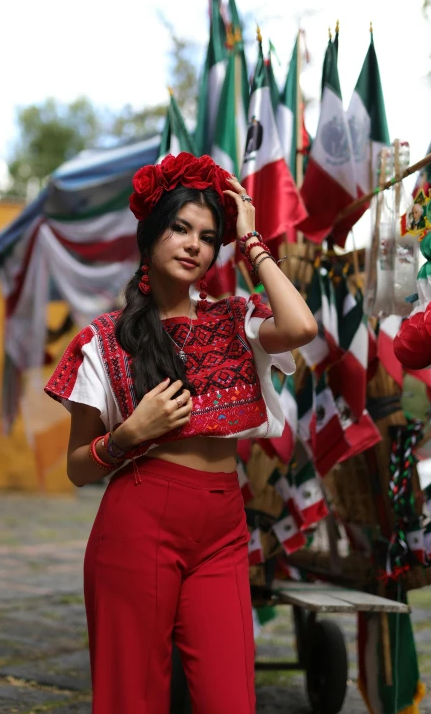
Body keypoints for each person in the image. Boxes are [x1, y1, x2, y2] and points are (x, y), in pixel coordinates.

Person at [44, 152, 317, 714]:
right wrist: (129, 435)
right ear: (150, 236)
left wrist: (252, 242)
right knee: (132, 699)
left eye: (208, 236)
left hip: (222, 526)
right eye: (180, 228)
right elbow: (76, 466)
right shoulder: (103, 341)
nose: (195, 244)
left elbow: (301, 326)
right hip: (139, 520)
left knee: (231, 700)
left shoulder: (234, 320)